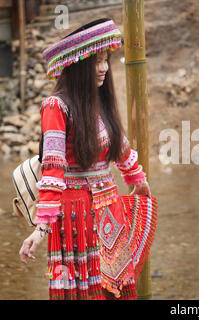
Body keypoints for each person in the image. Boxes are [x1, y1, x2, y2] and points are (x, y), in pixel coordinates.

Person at [18, 18, 157, 300]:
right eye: (96, 61)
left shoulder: (99, 103)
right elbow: (53, 170)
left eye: (106, 60)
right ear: (79, 66)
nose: (104, 68)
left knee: (115, 288)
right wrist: (41, 228)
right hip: (75, 214)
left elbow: (121, 149)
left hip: (109, 209)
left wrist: (137, 181)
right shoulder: (55, 106)